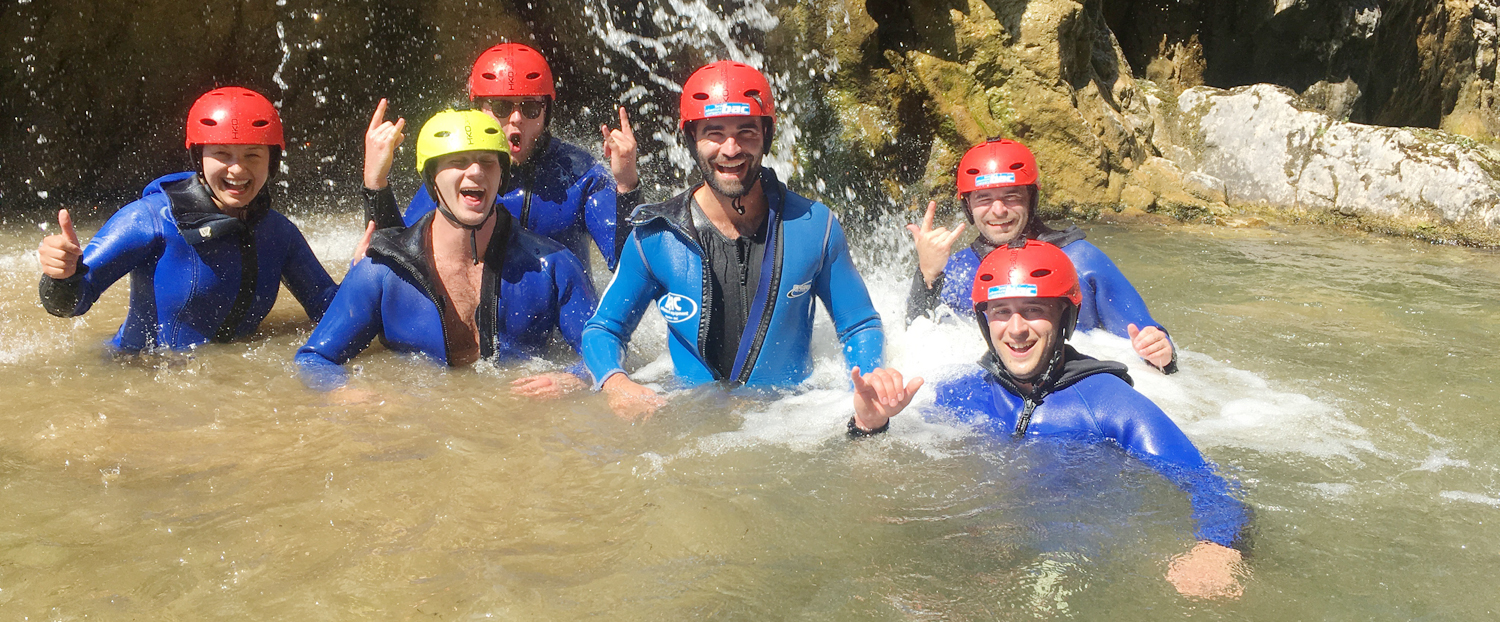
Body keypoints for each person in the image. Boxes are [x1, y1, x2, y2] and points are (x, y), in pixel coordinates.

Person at [854, 240, 1250, 599]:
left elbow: (1209, 482)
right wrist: (870, 427)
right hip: (982, 547)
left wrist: (1218, 546)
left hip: (1075, 560)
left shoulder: (1112, 405)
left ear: (1065, 319)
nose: (1016, 329)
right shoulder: (962, 391)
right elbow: (882, 479)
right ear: (983, 319)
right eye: (1001, 312)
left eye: (1035, 310)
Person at [578, 60, 885, 419]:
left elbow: (859, 324)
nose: (731, 148)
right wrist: (617, 383)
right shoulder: (655, 237)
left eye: (746, 132)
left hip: (793, 420)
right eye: (714, 132)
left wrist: (868, 387)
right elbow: (604, 329)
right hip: (693, 426)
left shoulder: (816, 227)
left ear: (767, 137)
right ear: (692, 138)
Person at [296, 109, 596, 394]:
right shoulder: (382, 272)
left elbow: (609, 353)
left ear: (502, 176)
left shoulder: (552, 266)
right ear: (431, 179)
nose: (476, 171)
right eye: (459, 161)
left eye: (487, 161)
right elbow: (314, 361)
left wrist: (576, 379)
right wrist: (347, 393)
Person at [36, 86, 337, 352]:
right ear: (199, 159)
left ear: (272, 162)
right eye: (221, 154)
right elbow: (70, 303)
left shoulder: (279, 233)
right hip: (141, 377)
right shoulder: (150, 218)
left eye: (252, 155)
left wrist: (365, 270)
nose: (237, 169)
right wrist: (62, 277)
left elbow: (330, 308)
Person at [906, 138, 1177, 373]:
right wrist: (926, 275)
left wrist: (1162, 355)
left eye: (1011, 196)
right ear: (968, 206)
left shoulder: (1082, 261)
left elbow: (1150, 344)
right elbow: (916, 345)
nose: (998, 211)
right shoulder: (955, 269)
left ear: (1031, 199)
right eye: (984, 198)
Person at [364, 42, 639, 273]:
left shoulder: (581, 175)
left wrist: (626, 184)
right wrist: (376, 182)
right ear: (477, 109)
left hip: (560, 325)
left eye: (531, 108)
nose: (516, 118)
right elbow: (396, 264)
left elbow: (630, 268)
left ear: (547, 112)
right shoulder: (454, 174)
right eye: (501, 106)